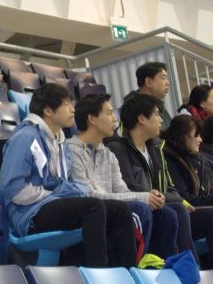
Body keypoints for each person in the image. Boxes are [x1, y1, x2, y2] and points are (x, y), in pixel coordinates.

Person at [0, 83, 137, 268]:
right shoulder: (25, 137)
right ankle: (99, 272)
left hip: (53, 205)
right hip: (30, 214)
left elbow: (63, 183)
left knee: (118, 209)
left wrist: (67, 192)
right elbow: (12, 188)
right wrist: (52, 194)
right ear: (48, 110)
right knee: (93, 206)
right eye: (66, 104)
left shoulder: (59, 141)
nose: (73, 109)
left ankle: (127, 271)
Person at [68, 94, 178, 259]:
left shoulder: (107, 153)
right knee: (140, 210)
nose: (115, 119)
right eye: (109, 113)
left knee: (167, 214)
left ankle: (161, 266)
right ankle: (135, 265)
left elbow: (121, 190)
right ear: (92, 119)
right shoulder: (72, 151)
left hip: (113, 208)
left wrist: (147, 196)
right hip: (92, 211)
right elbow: (88, 195)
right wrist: (142, 198)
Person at [106, 94, 197, 260]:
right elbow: (129, 188)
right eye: (156, 114)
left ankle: (185, 266)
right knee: (176, 210)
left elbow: (171, 189)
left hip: (159, 204)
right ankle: (183, 266)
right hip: (137, 207)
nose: (161, 119)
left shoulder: (156, 148)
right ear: (142, 118)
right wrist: (158, 197)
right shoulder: (118, 148)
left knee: (189, 211)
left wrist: (163, 197)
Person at [162, 115, 213, 262]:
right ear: (182, 137)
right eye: (196, 135)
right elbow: (184, 198)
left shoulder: (196, 158)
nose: (200, 140)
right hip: (181, 212)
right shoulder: (170, 159)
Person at [122, 62, 171, 130]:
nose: (168, 83)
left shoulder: (159, 107)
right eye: (163, 78)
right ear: (148, 82)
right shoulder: (134, 110)